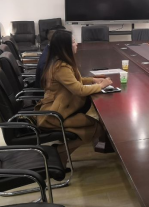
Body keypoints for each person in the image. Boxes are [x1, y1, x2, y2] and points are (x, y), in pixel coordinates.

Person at [36, 30, 113, 165]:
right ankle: (61, 150)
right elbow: (79, 90)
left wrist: (93, 80)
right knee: (98, 127)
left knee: (96, 125)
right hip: (54, 115)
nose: (76, 44)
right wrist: (101, 85)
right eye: (73, 42)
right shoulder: (61, 67)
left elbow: (76, 81)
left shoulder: (61, 62)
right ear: (65, 46)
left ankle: (62, 152)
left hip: (59, 110)